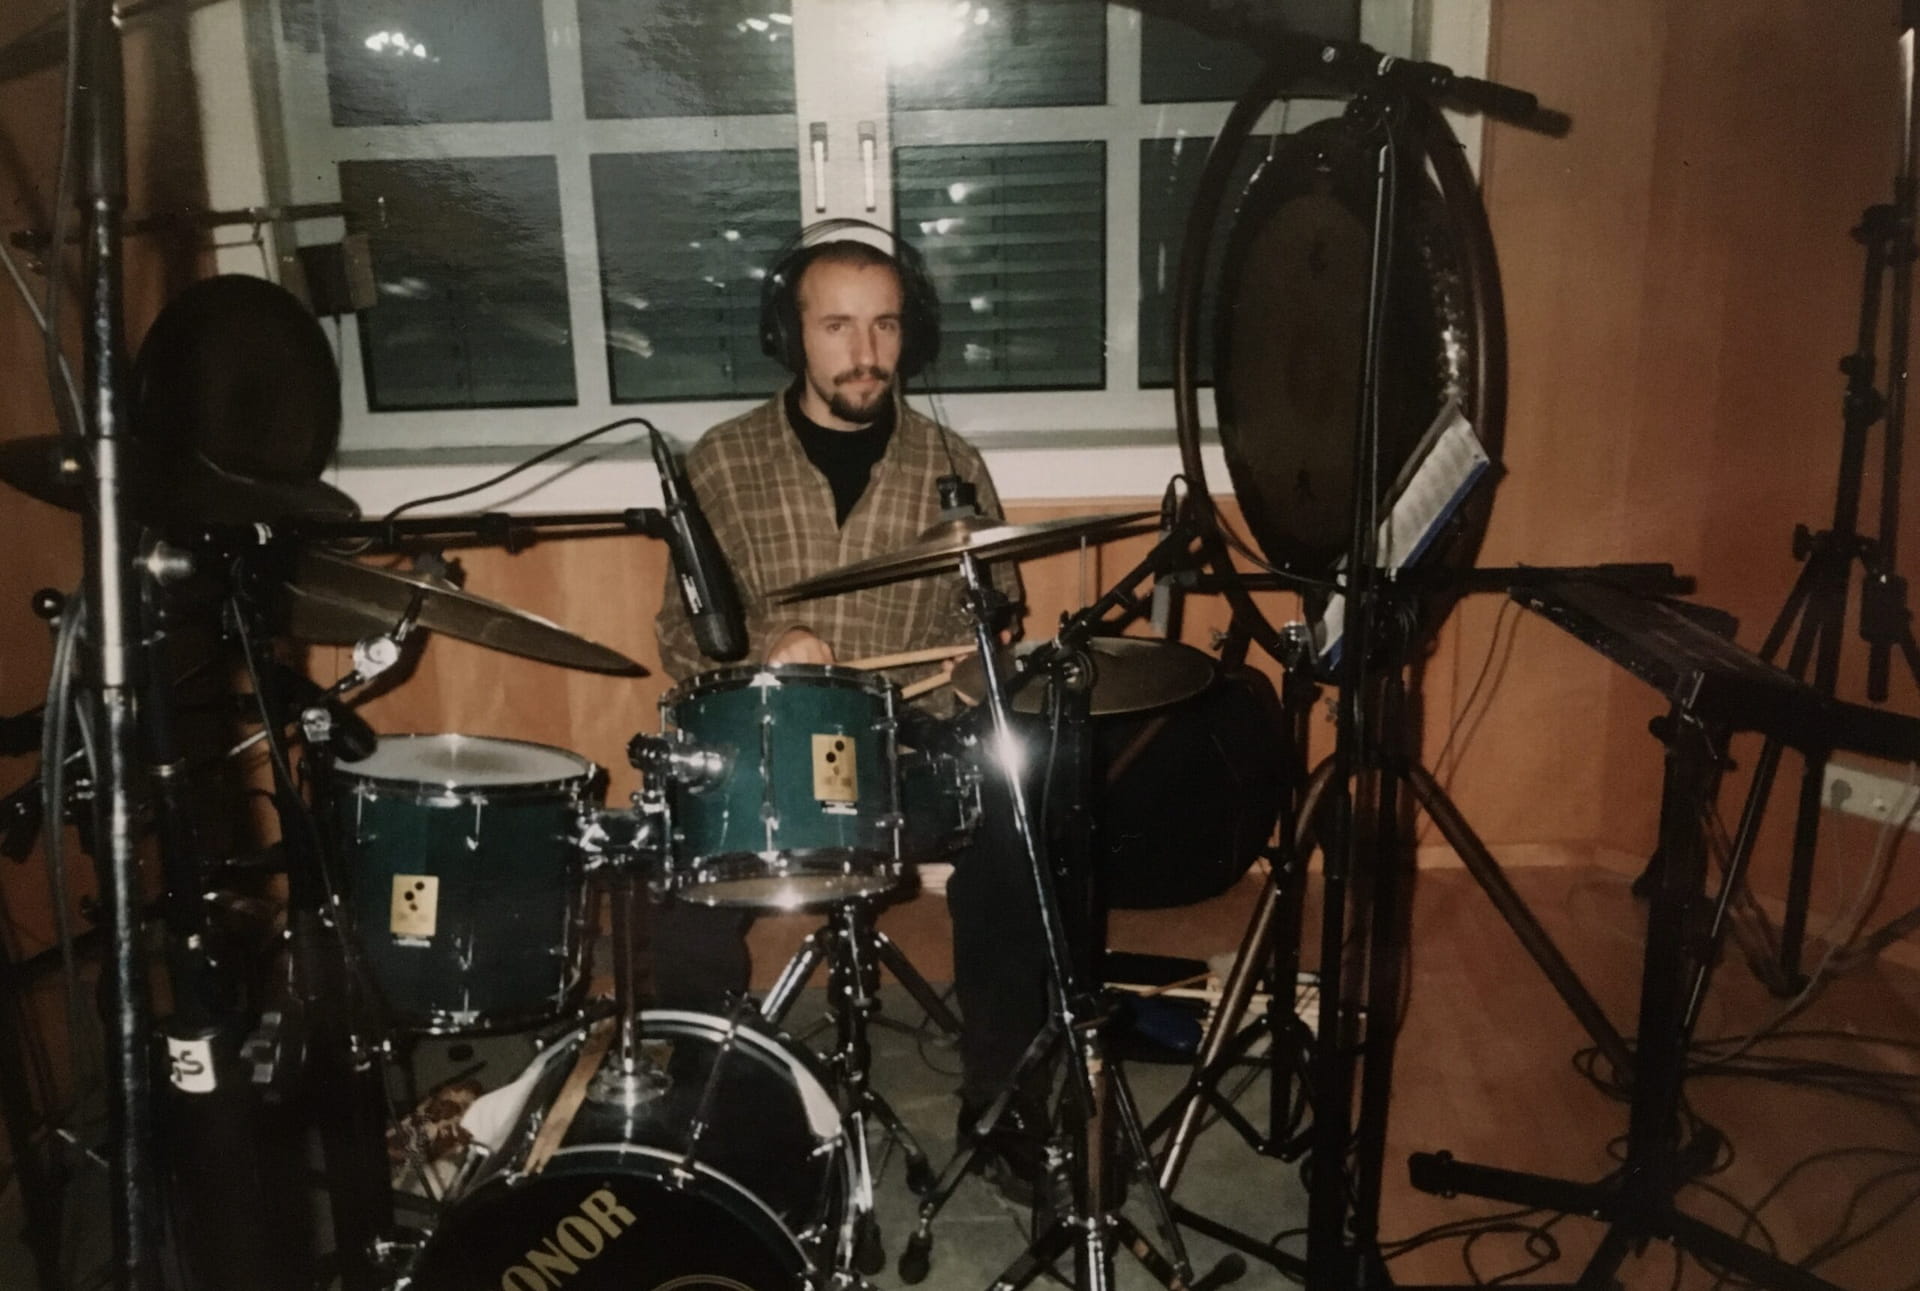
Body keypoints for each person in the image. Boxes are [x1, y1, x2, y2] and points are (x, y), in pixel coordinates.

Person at [653, 223, 1050, 1198]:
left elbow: (990, 623)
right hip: (762, 741)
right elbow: (680, 633)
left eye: (885, 325)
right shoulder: (723, 463)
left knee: (1017, 827)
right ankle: (712, 1105)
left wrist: (966, 672)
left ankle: (1004, 1104)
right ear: (789, 335)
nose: (866, 352)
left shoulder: (951, 463)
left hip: (901, 742)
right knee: (671, 857)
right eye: (837, 326)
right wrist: (767, 647)